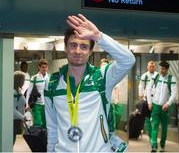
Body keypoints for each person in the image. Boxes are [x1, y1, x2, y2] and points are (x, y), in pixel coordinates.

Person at [44, 14, 135, 152]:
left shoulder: (102, 77)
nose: (78, 51)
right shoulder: (52, 82)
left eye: (84, 46)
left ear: (91, 51)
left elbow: (128, 60)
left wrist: (99, 36)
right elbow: (52, 127)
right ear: (65, 48)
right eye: (73, 45)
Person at [147, 61, 177, 152]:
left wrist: (168, 103)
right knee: (154, 125)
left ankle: (162, 145)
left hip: (165, 107)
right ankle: (154, 145)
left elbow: (174, 93)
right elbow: (148, 89)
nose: (161, 70)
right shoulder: (155, 77)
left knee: (164, 127)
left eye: (163, 69)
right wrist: (149, 102)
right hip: (155, 106)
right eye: (160, 68)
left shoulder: (171, 79)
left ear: (167, 69)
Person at [26, 59, 49, 128]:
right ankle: (37, 138)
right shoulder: (34, 78)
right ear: (39, 67)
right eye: (42, 67)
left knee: (46, 124)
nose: (44, 69)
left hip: (47, 105)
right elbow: (29, 92)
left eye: (46, 67)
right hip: (36, 104)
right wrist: (27, 104)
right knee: (38, 123)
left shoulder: (50, 77)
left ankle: (44, 138)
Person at [138, 61, 158, 139]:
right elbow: (141, 86)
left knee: (154, 118)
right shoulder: (144, 76)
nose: (151, 68)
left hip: (156, 99)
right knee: (147, 118)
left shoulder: (157, 75)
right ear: (147, 67)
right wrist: (141, 96)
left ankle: (153, 136)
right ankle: (150, 136)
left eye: (153, 67)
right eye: (150, 66)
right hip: (146, 98)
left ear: (155, 67)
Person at [13, 71, 27, 145]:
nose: (24, 82)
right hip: (14, 120)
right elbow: (11, 109)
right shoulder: (14, 92)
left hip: (16, 119)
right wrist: (22, 117)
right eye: (23, 80)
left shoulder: (18, 90)